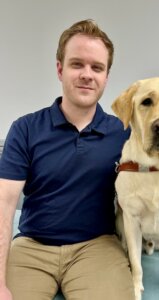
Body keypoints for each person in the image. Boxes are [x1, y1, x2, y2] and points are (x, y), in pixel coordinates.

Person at [0, 19, 135, 300]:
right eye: (77, 64)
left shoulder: (124, 133)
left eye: (97, 67)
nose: (87, 74)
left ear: (106, 76)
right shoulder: (25, 129)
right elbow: (4, 203)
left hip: (97, 247)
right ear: (60, 69)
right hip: (31, 247)